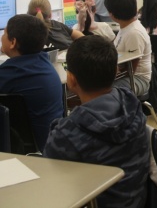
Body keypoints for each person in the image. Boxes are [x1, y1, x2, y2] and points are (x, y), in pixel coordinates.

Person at [43, 36, 149, 208]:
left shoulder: (68, 134)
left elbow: (50, 185)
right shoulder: (133, 106)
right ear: (116, 71)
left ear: (71, 79)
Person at [0, 14, 63, 151]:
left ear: (13, 42)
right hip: (53, 142)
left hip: (36, 151)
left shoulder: (13, 72)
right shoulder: (43, 62)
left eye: (4, 34)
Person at [104, 0, 152, 97]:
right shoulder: (125, 27)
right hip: (125, 76)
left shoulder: (134, 32)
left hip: (137, 79)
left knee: (99, 92)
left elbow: (131, 70)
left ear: (112, 14)